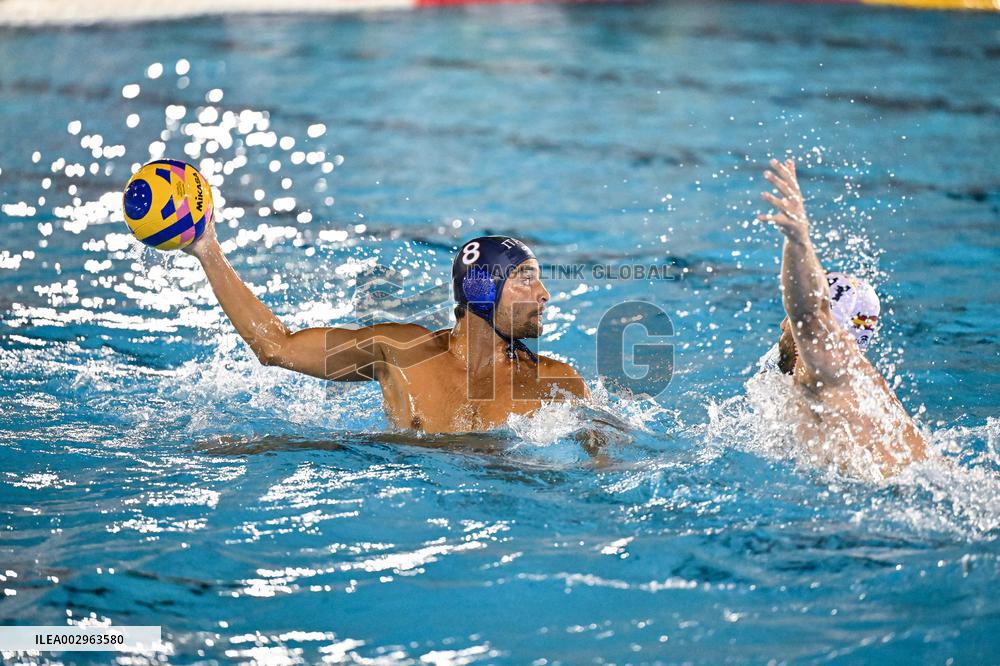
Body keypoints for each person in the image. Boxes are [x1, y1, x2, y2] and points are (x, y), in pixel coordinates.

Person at [184, 219, 588, 432]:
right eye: (526, 278)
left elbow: (605, 453)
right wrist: (207, 249)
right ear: (484, 289)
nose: (544, 294)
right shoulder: (399, 350)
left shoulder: (558, 382)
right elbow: (275, 347)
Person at [755, 158, 927, 477]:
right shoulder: (840, 382)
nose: (783, 324)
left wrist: (798, 239)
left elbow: (809, 312)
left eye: (788, 317)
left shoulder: (830, 364)